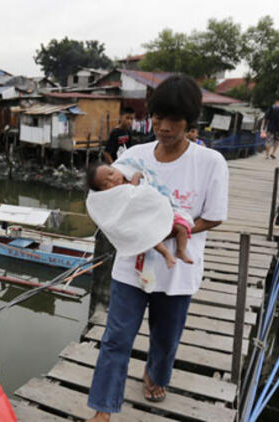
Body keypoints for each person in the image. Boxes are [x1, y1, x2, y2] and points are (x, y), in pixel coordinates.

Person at [86, 75, 229, 422]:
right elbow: (105, 196)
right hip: (130, 268)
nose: (164, 128)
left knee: (165, 340)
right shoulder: (132, 156)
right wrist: (136, 228)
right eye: (158, 119)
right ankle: (103, 410)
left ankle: (156, 375)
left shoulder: (210, 163)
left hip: (175, 270)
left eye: (174, 121)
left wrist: (170, 231)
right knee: (116, 338)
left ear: (190, 121)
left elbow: (214, 217)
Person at [87, 162, 193, 268]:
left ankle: (181, 250)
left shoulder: (126, 174)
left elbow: (145, 190)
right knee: (149, 237)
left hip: (154, 211)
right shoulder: (116, 193)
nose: (112, 179)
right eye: (106, 184)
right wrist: (136, 176)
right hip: (141, 222)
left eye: (111, 173)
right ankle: (166, 254)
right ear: (103, 191)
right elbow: (133, 194)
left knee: (182, 226)